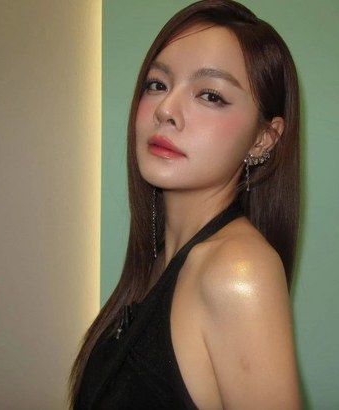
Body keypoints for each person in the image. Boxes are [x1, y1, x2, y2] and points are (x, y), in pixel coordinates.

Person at [71, 1, 301, 408]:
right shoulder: (162, 261)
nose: (165, 110)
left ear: (262, 139)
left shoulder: (238, 273)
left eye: (210, 95)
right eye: (157, 84)